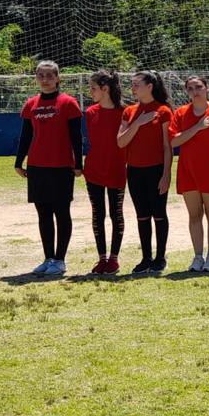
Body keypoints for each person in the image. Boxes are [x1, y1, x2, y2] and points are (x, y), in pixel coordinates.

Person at [15, 61, 83, 276]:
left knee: (61, 212)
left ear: (57, 78)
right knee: (43, 214)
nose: (45, 80)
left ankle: (60, 260)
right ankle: (48, 258)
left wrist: (78, 164)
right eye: (40, 76)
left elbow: (76, 137)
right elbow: (26, 136)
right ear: (36, 78)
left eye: (49, 76)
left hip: (62, 166)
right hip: (37, 166)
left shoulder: (68, 103)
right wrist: (19, 162)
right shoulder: (31, 104)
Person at [169, 75, 209, 274]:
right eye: (190, 88)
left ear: (207, 88)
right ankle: (198, 256)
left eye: (199, 87)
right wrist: (198, 127)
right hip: (188, 172)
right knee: (194, 215)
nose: (195, 91)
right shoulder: (180, 113)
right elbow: (174, 141)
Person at [117, 71, 173, 274]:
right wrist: (138, 123)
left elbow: (168, 147)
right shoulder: (129, 111)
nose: (133, 88)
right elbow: (121, 141)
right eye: (132, 84)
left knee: (159, 214)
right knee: (142, 215)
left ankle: (160, 257)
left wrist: (166, 174)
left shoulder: (164, 111)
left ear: (150, 86)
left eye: (137, 84)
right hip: (134, 170)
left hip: (156, 170)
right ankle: (146, 258)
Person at [84, 71, 127, 275]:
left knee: (115, 213)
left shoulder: (125, 113)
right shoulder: (90, 112)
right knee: (98, 213)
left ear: (105, 89)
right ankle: (101, 258)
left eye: (93, 88)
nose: (90, 92)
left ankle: (114, 259)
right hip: (93, 170)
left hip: (117, 169)